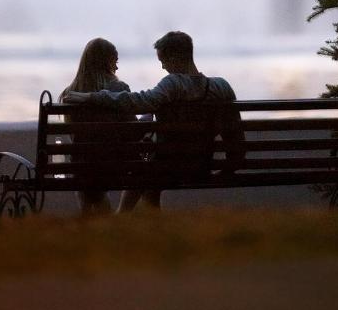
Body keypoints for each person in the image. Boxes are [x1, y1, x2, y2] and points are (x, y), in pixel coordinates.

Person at [64, 31, 242, 211]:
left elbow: (138, 101)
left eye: (163, 61)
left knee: (147, 173)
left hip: (167, 169)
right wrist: (229, 167)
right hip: (202, 167)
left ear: (174, 58)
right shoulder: (222, 86)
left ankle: (127, 220)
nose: (163, 67)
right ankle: (129, 220)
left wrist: (93, 97)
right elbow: (235, 134)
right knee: (147, 173)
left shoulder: (172, 83)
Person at [58, 37, 130, 215]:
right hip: (117, 165)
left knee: (85, 163)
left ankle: (89, 223)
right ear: (106, 62)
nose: (117, 67)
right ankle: (102, 226)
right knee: (92, 170)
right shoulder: (120, 89)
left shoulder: (69, 94)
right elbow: (132, 130)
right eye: (115, 61)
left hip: (84, 167)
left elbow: (74, 137)